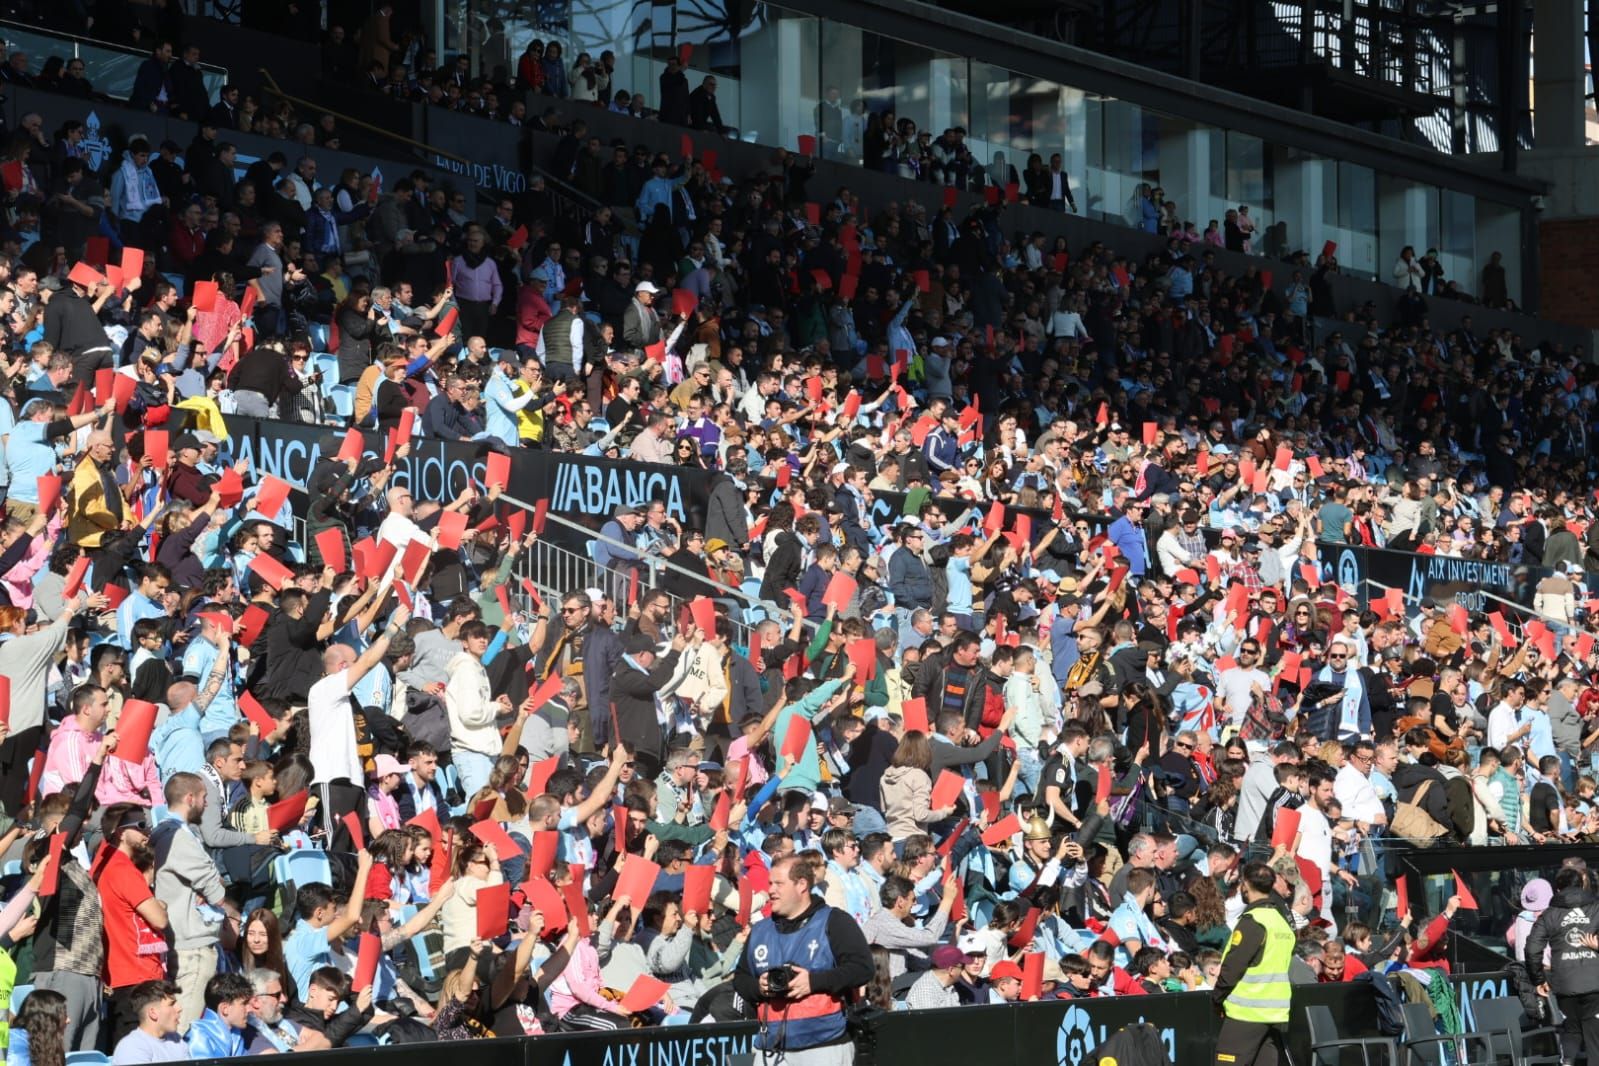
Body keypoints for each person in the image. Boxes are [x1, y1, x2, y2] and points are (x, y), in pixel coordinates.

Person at [733, 854, 874, 1066]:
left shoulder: (834, 921)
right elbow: (740, 979)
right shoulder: (760, 931)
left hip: (824, 1044)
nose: (771, 890)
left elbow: (862, 968)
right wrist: (759, 987)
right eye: (770, 883)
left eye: (779, 884)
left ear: (801, 885)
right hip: (770, 1046)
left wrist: (814, 982)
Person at [1211, 862, 1295, 1066]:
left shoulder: (1253, 921)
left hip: (1245, 1013)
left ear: (1245, 884)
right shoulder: (1281, 922)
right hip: (1273, 1013)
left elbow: (1232, 969)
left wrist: (1217, 999)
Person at [1525, 865, 1599, 1063]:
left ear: (1557, 889)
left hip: (1565, 983)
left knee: (1571, 1028)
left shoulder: (1549, 914)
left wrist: (1538, 979)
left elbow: (1532, 949)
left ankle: (1566, 1062)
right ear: (1582, 884)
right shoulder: (1596, 908)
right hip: (1594, 983)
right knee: (1594, 1034)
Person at [110, 981, 189, 1065]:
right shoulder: (132, 1047)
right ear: (153, 1013)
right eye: (171, 1004)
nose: (179, 1008)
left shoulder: (176, 1039)